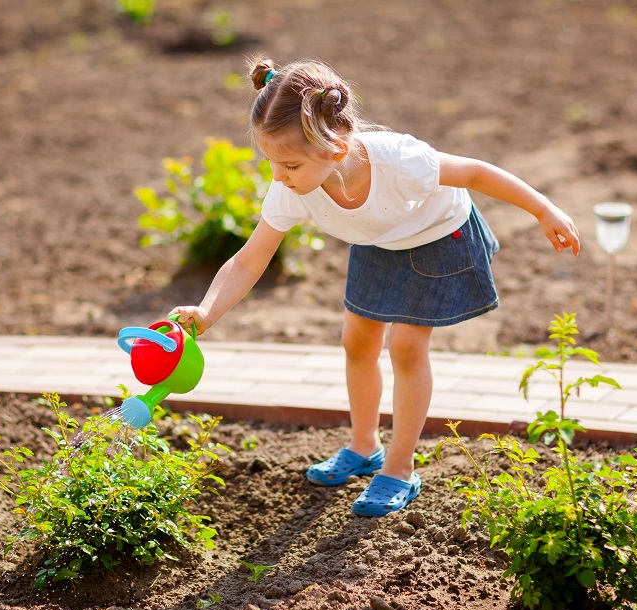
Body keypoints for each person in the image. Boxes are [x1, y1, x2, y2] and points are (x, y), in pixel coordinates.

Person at [170, 56, 580, 517]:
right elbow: (250, 259)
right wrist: (206, 311)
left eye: (288, 165)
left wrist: (544, 210)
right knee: (357, 342)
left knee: (406, 347)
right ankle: (365, 446)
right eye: (271, 163)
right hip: (377, 241)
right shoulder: (290, 188)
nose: (277, 176)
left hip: (438, 236)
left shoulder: (397, 159)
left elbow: (475, 173)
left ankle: (400, 469)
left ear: (336, 148)